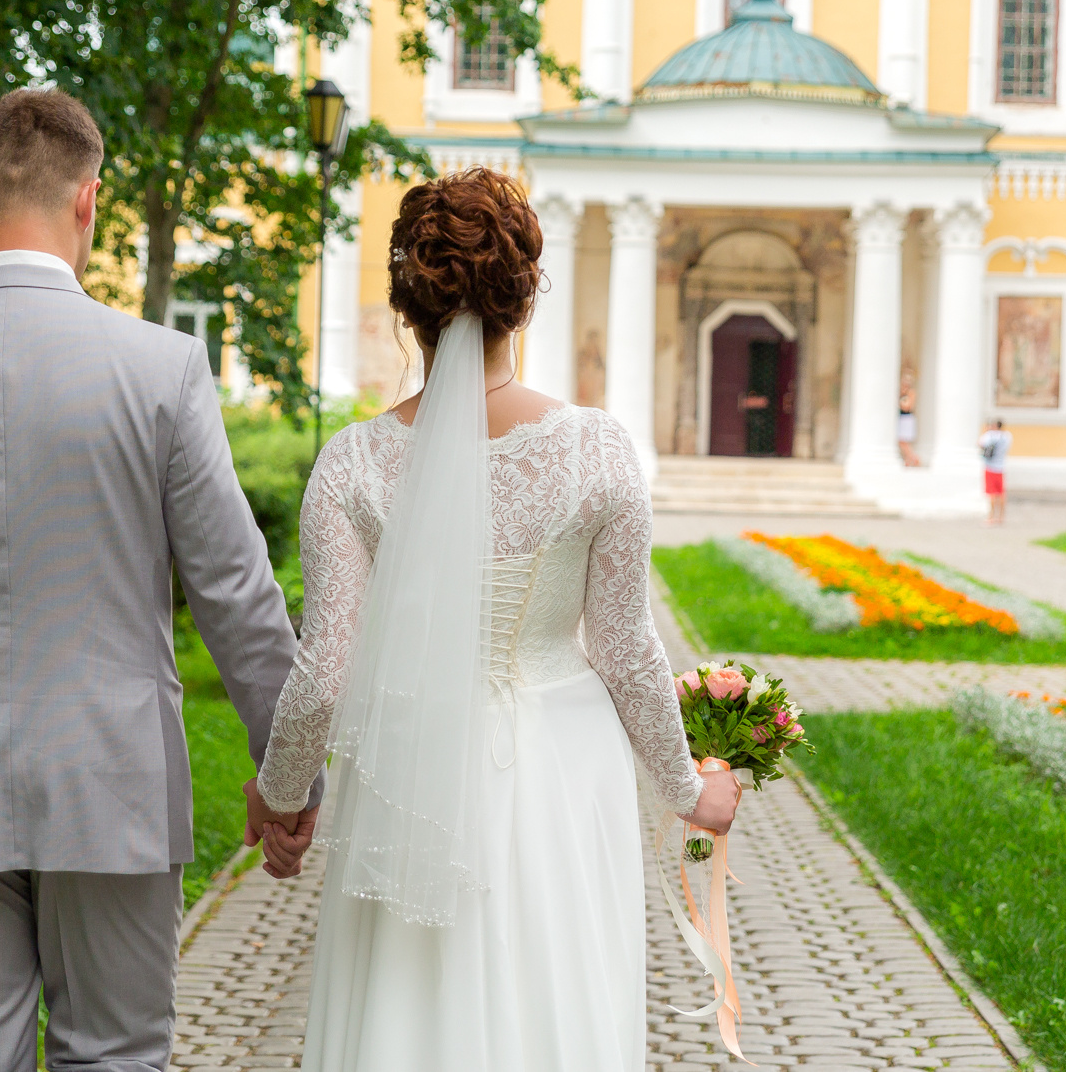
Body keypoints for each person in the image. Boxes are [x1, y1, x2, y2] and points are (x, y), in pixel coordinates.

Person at [0, 88, 324, 1071]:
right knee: (116, 1055)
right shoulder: (161, 370)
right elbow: (236, 592)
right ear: (89, 201)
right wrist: (288, 772)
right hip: (112, 782)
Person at [252, 168, 742, 1072]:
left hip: (408, 774)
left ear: (410, 309)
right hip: (562, 772)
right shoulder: (596, 448)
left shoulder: (353, 462)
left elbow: (323, 670)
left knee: (410, 1009)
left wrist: (281, 797)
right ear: (523, 301)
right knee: (556, 1002)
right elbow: (627, 648)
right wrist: (688, 788)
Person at [979, 418, 1013, 526]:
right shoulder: (1007, 436)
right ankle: (1001, 517)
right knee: (1001, 493)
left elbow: (980, 444)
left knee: (992, 493)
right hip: (1001, 468)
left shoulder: (989, 436)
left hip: (990, 467)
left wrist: (986, 431)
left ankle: (991, 516)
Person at [896, 375, 921, 467]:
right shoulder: (901, 392)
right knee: (902, 441)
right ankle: (908, 460)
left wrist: (899, 403)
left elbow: (908, 407)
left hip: (907, 418)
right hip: (901, 418)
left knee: (903, 441)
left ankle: (914, 458)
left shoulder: (911, 393)